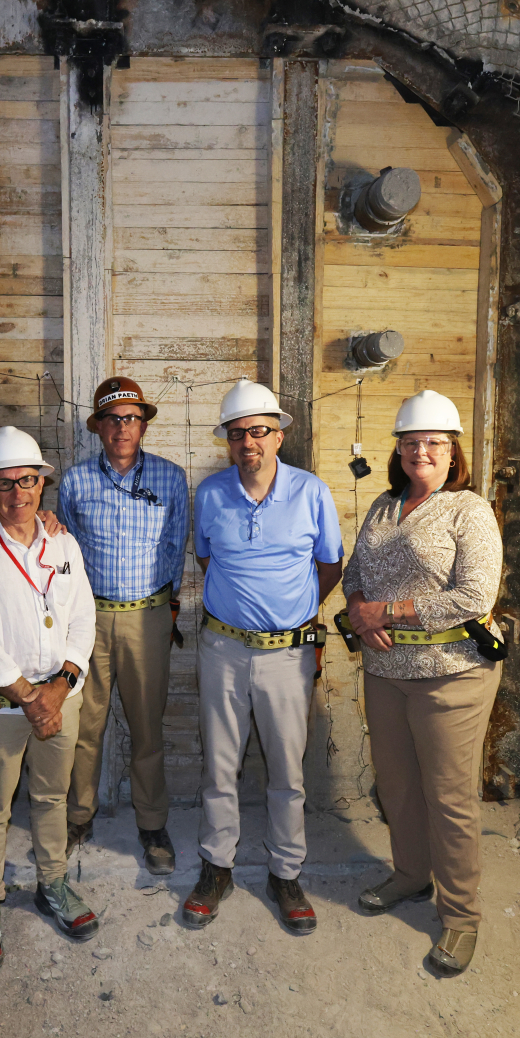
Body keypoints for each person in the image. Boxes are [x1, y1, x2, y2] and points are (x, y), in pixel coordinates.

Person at [343, 389, 504, 976]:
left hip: (451, 674)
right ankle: (411, 875)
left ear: (452, 449)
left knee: (450, 797)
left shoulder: (469, 510)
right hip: (386, 671)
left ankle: (460, 917)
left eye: (433, 442)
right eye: (411, 443)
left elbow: (473, 597)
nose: (420, 452)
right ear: (399, 450)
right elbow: (355, 576)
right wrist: (361, 609)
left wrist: (386, 613)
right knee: (399, 787)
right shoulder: (384, 507)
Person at [181, 379, 343, 934]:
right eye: (237, 433)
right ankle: (216, 865)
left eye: (258, 431)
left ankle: (285, 872)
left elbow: (329, 565)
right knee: (219, 765)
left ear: (278, 436)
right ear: (227, 441)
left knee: (286, 770)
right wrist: (244, 612)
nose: (247, 442)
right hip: (223, 649)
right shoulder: (210, 494)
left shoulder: (312, 492)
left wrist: (293, 615)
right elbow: (207, 559)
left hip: (287, 658)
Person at [0, 426, 100, 977]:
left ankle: (52, 885)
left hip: (61, 697)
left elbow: (82, 616)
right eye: (5, 483)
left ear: (42, 482)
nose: (19, 494)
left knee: (52, 797)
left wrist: (60, 686)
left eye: (28, 481)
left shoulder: (63, 544)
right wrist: (29, 697)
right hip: (1, 704)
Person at [57, 377, 189, 875]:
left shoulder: (171, 478)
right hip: (88, 619)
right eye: (112, 419)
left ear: (144, 424)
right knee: (84, 726)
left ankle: (152, 823)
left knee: (146, 728)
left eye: (132, 418)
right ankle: (78, 816)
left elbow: (176, 548)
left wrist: (167, 611)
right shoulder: (73, 481)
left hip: (146, 619)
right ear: (96, 426)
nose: (122, 427)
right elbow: (66, 553)